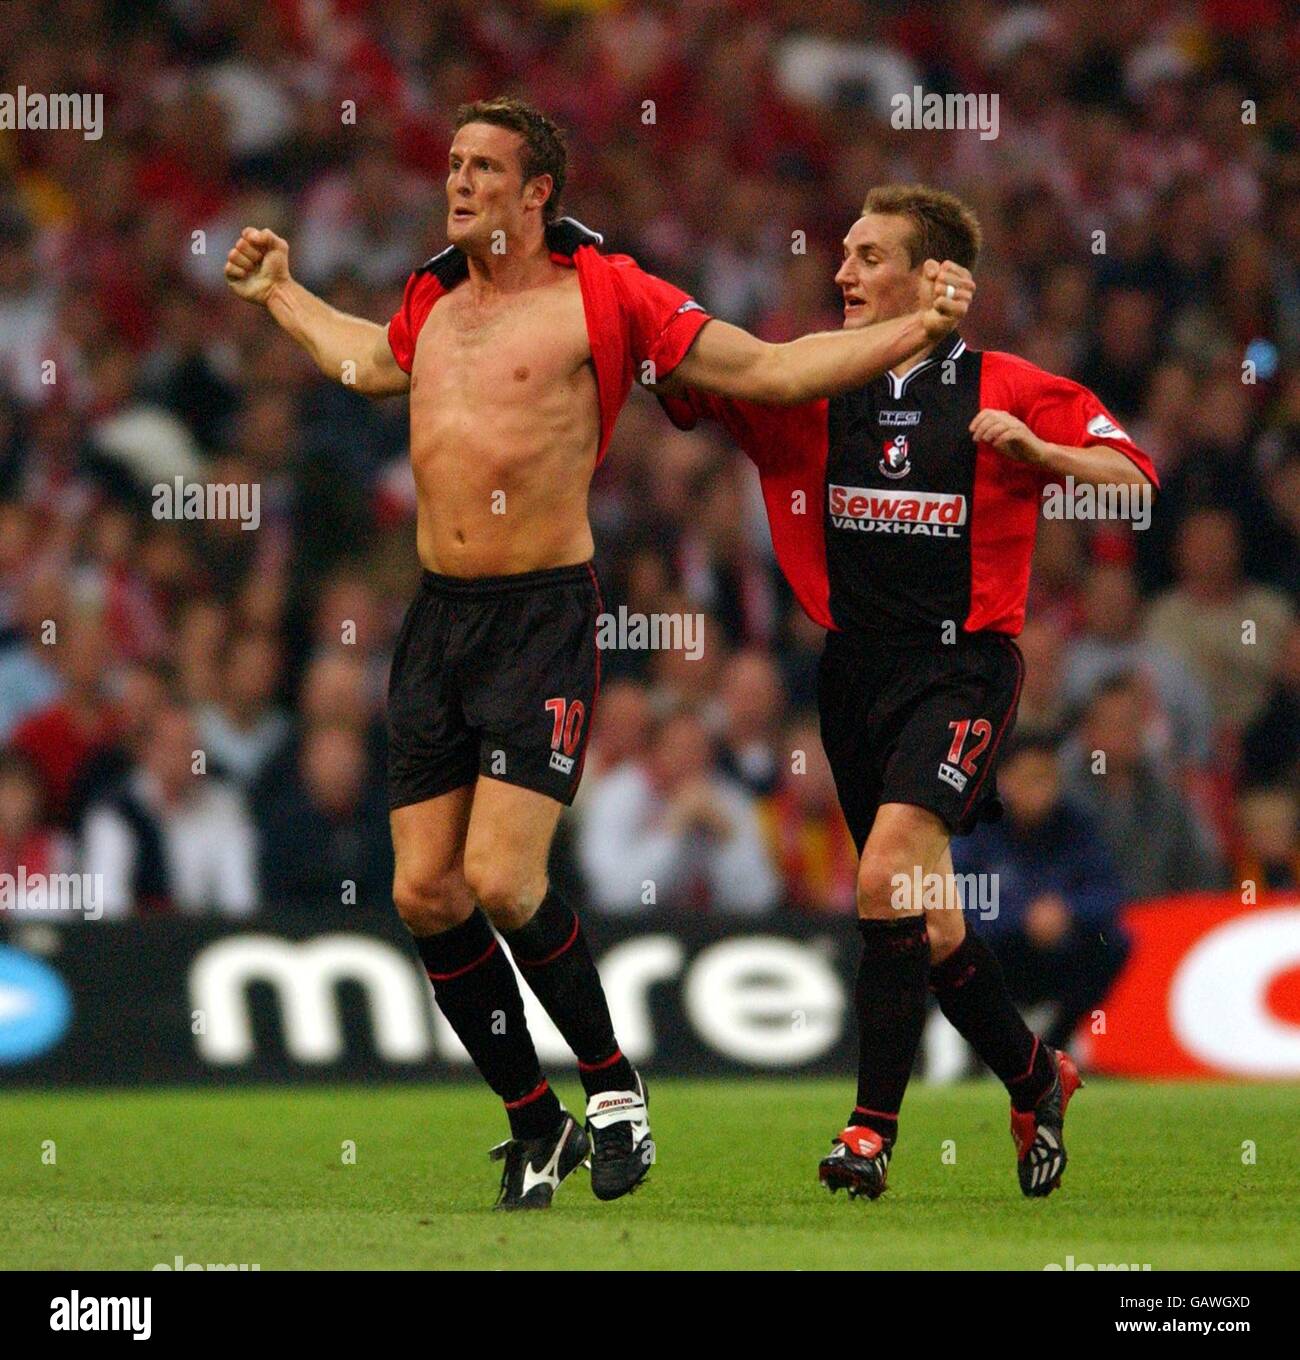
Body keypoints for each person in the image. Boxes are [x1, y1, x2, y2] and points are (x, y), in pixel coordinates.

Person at [225, 97, 973, 1210]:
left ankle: (614, 1089)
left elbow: (765, 370)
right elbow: (370, 368)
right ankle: (537, 1125)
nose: (459, 181)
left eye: (485, 167)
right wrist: (281, 293)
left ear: (537, 194)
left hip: (539, 618)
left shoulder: (606, 291)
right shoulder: (434, 291)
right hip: (437, 619)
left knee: (501, 876)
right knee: (425, 890)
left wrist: (914, 334)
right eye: (453, 161)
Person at [657, 183, 1157, 1199]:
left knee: (885, 870)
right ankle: (1034, 1075)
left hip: (963, 669)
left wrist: (1040, 452)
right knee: (922, 915)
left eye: (867, 255)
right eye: (843, 252)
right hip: (853, 675)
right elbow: (677, 371)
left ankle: (867, 1133)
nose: (841, 272)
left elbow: (1136, 483)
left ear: (931, 279)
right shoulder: (805, 380)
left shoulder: (1005, 384)